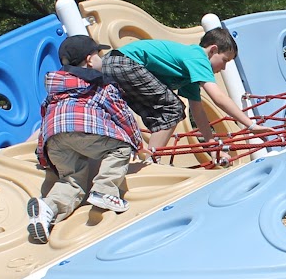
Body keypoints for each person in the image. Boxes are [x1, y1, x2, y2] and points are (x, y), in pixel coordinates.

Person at [26, 34, 145, 243]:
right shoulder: (98, 84)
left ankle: (47, 209)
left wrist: (43, 158)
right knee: (120, 148)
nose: (101, 59)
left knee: (72, 181)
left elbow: (45, 118)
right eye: (99, 54)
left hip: (55, 139)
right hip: (85, 130)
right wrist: (138, 144)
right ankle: (104, 190)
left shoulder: (55, 91)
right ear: (90, 60)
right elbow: (122, 115)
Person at [98, 27, 268, 164]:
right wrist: (250, 126)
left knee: (161, 116)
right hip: (124, 63)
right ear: (213, 50)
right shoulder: (198, 57)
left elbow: (198, 112)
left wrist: (212, 150)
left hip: (112, 66)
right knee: (174, 108)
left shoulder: (189, 73)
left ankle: (145, 157)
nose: (223, 68)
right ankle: (151, 160)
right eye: (225, 60)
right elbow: (219, 98)